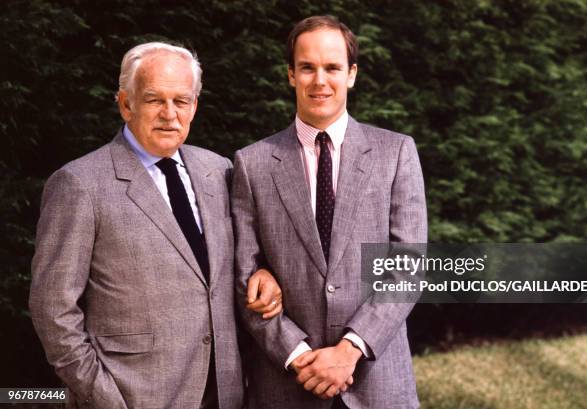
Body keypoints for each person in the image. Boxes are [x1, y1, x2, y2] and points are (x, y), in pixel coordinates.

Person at [30, 42, 282, 409]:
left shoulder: (219, 171)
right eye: (154, 100)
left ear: (194, 106)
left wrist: (263, 272)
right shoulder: (79, 184)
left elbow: (245, 256)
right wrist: (104, 397)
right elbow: (52, 309)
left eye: (181, 101)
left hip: (226, 394)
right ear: (126, 103)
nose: (170, 114)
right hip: (133, 397)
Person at [232, 16, 427, 409]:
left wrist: (349, 350)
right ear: (291, 75)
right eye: (307, 67)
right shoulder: (251, 164)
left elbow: (409, 265)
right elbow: (243, 276)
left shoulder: (395, 153)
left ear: (351, 74)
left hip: (376, 381)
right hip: (288, 384)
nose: (320, 80)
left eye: (332, 67)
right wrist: (299, 355)